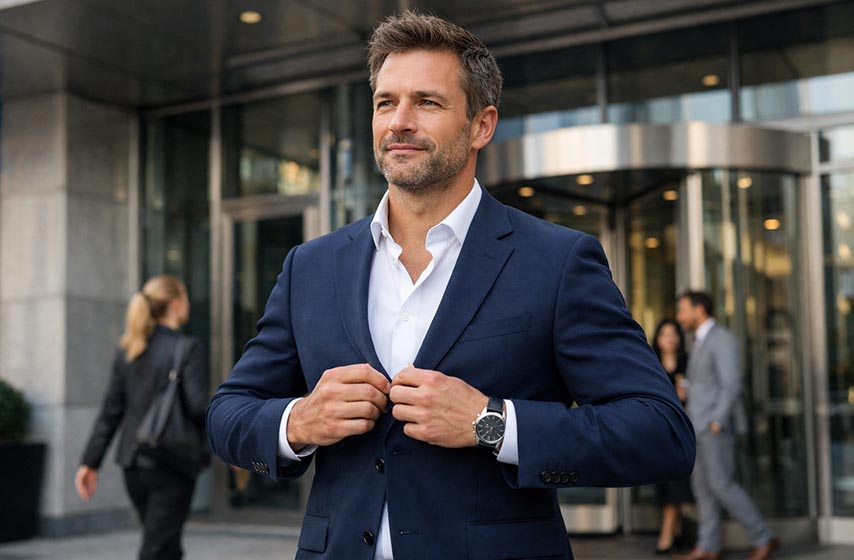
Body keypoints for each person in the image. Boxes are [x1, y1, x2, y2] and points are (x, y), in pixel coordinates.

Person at [207, 11, 695, 560]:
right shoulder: (311, 267)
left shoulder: (556, 262)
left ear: (481, 125)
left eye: (428, 102)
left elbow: (661, 434)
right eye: (385, 102)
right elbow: (228, 414)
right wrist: (298, 421)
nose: (399, 122)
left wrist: (491, 423)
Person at [76, 275, 208, 560]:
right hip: (172, 462)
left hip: (133, 465)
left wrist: (90, 462)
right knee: (158, 548)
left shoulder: (129, 349)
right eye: (185, 298)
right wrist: (227, 445)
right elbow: (199, 407)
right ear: (174, 304)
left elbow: (111, 410)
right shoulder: (187, 348)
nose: (188, 304)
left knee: (164, 543)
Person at [675, 291, 778, 560]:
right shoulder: (698, 341)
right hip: (696, 426)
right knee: (703, 489)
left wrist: (718, 420)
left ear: (699, 310)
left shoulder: (722, 339)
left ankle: (763, 537)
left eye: (683, 310)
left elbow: (731, 383)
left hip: (713, 427)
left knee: (723, 486)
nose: (679, 317)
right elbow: (708, 382)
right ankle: (708, 547)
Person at [650, 319, 694, 554]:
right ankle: (677, 531)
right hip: (657, 433)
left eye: (674, 333)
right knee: (663, 484)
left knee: (676, 483)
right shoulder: (651, 364)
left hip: (682, 431)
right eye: (665, 333)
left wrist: (685, 395)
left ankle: (666, 537)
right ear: (657, 338)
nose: (670, 338)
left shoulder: (688, 363)